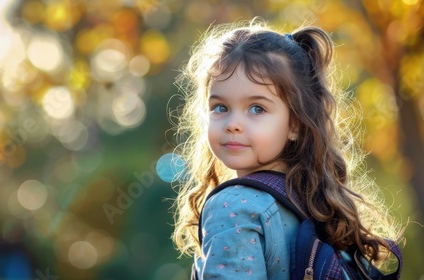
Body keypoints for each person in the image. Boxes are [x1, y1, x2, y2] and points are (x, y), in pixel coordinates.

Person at [171, 19, 403, 279]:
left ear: (295, 124)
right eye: (220, 107)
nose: (233, 124)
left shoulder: (233, 205)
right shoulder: (314, 201)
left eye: (257, 108)